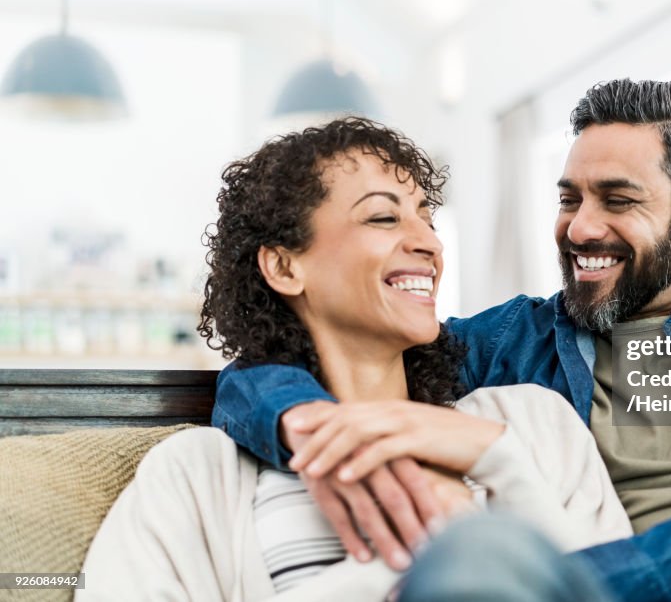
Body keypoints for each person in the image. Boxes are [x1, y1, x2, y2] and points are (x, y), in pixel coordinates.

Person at [212, 79, 671, 600]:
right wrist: (302, 420)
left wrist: (587, 585)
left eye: (617, 199)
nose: (579, 228)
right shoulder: (523, 341)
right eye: (569, 197)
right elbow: (290, 354)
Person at [77, 118, 631, 600]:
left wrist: (501, 462)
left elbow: (614, 589)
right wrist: (421, 550)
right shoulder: (196, 474)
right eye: (383, 219)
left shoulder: (530, 424)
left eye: (427, 220)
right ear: (285, 267)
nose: (429, 244)